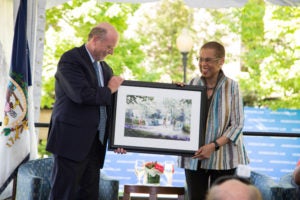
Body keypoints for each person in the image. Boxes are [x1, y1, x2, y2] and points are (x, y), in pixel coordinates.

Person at [46, 22, 126, 200]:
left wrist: (118, 138)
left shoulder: (105, 68)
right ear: (96, 40)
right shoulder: (71, 59)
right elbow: (81, 95)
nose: (111, 52)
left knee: (89, 196)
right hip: (70, 144)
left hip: (95, 146)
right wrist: (109, 89)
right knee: (63, 195)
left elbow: (109, 106)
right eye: (109, 47)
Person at [178, 41, 249, 200]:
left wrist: (213, 146)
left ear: (221, 61)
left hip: (224, 158)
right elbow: (181, 118)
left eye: (208, 60)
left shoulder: (232, 87)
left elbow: (237, 124)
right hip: (194, 158)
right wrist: (178, 94)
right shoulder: (192, 83)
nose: (203, 64)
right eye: (200, 59)